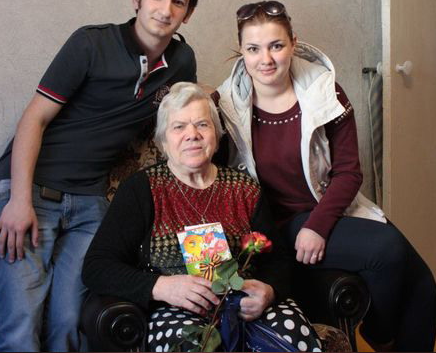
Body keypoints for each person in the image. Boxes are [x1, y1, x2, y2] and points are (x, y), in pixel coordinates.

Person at [0, 0, 205, 352]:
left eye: (178, 1)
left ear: (188, 13)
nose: (165, 9)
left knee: (71, 321)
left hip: (91, 201)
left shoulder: (182, 62)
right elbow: (33, 119)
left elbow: (183, 119)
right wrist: (18, 200)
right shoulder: (91, 43)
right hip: (31, 188)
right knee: (20, 323)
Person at [215, 1, 436, 352]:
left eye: (276, 45)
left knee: (423, 287)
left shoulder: (325, 91)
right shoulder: (226, 105)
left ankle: (385, 337)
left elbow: (349, 172)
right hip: (275, 225)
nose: (266, 59)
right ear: (241, 51)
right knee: (387, 248)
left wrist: (318, 226)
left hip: (326, 209)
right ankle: (381, 338)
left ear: (293, 43)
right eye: (253, 49)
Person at [82, 83, 322, 352]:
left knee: (293, 336)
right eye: (179, 127)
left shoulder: (244, 188)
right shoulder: (142, 189)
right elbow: (97, 267)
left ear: (216, 137)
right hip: (176, 312)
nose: (192, 135)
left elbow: (278, 260)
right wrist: (160, 286)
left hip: (248, 308)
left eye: (202, 125)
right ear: (163, 142)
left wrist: (269, 290)